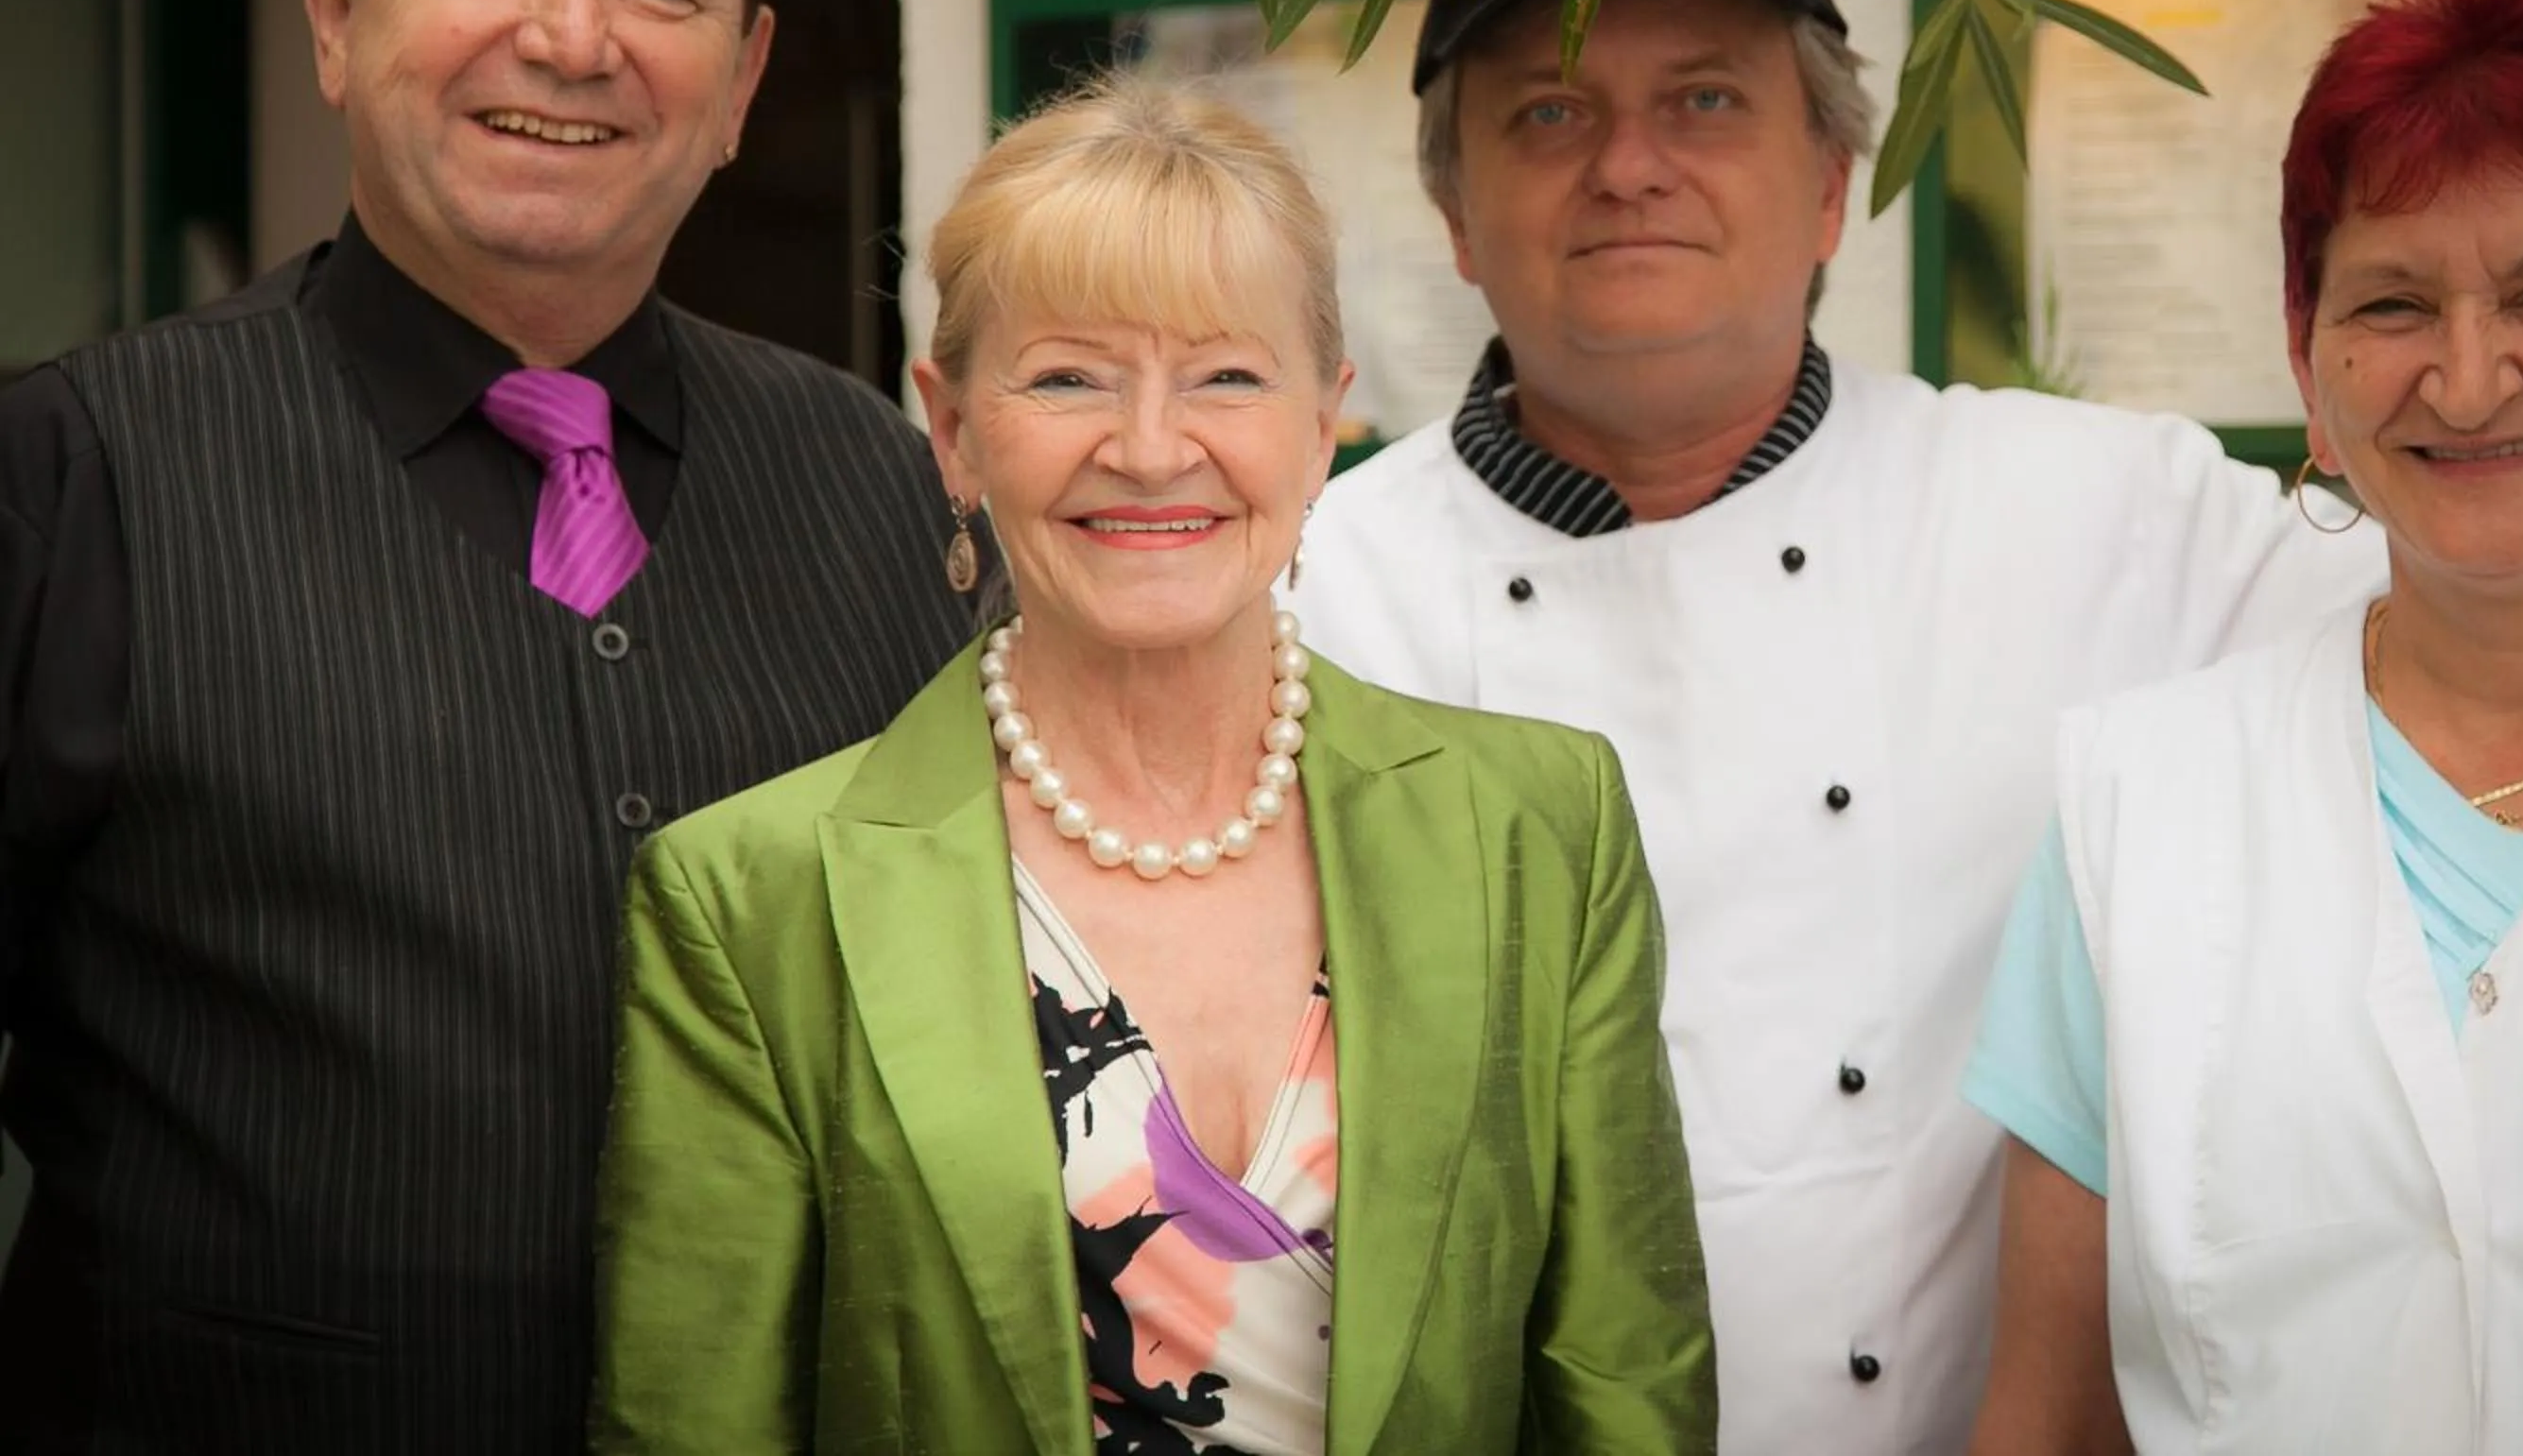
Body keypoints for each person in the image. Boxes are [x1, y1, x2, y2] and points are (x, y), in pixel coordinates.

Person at [1286, 0, 2523, 1454]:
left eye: (1707, 100)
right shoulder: (1312, 591)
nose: (1627, 167)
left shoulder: (2091, 508)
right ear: (1452, 211)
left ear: (1831, 183)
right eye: (1547, 114)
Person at [0, 0, 989, 1453]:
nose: (572, 35)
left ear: (746, 74)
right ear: (334, 11)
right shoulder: (76, 479)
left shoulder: (892, 498)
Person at [591, 80, 1715, 1454]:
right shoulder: (753, 899)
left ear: (1319, 427)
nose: (1148, 447)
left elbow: (1626, 1396)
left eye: (1228, 376)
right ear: (952, 432)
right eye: (1067, 376)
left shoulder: (1542, 834)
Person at [1964, 0, 2523, 1453]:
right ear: (2310, 363)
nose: (2469, 376)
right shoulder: (2142, 807)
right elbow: (2047, 1425)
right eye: (2392, 303)